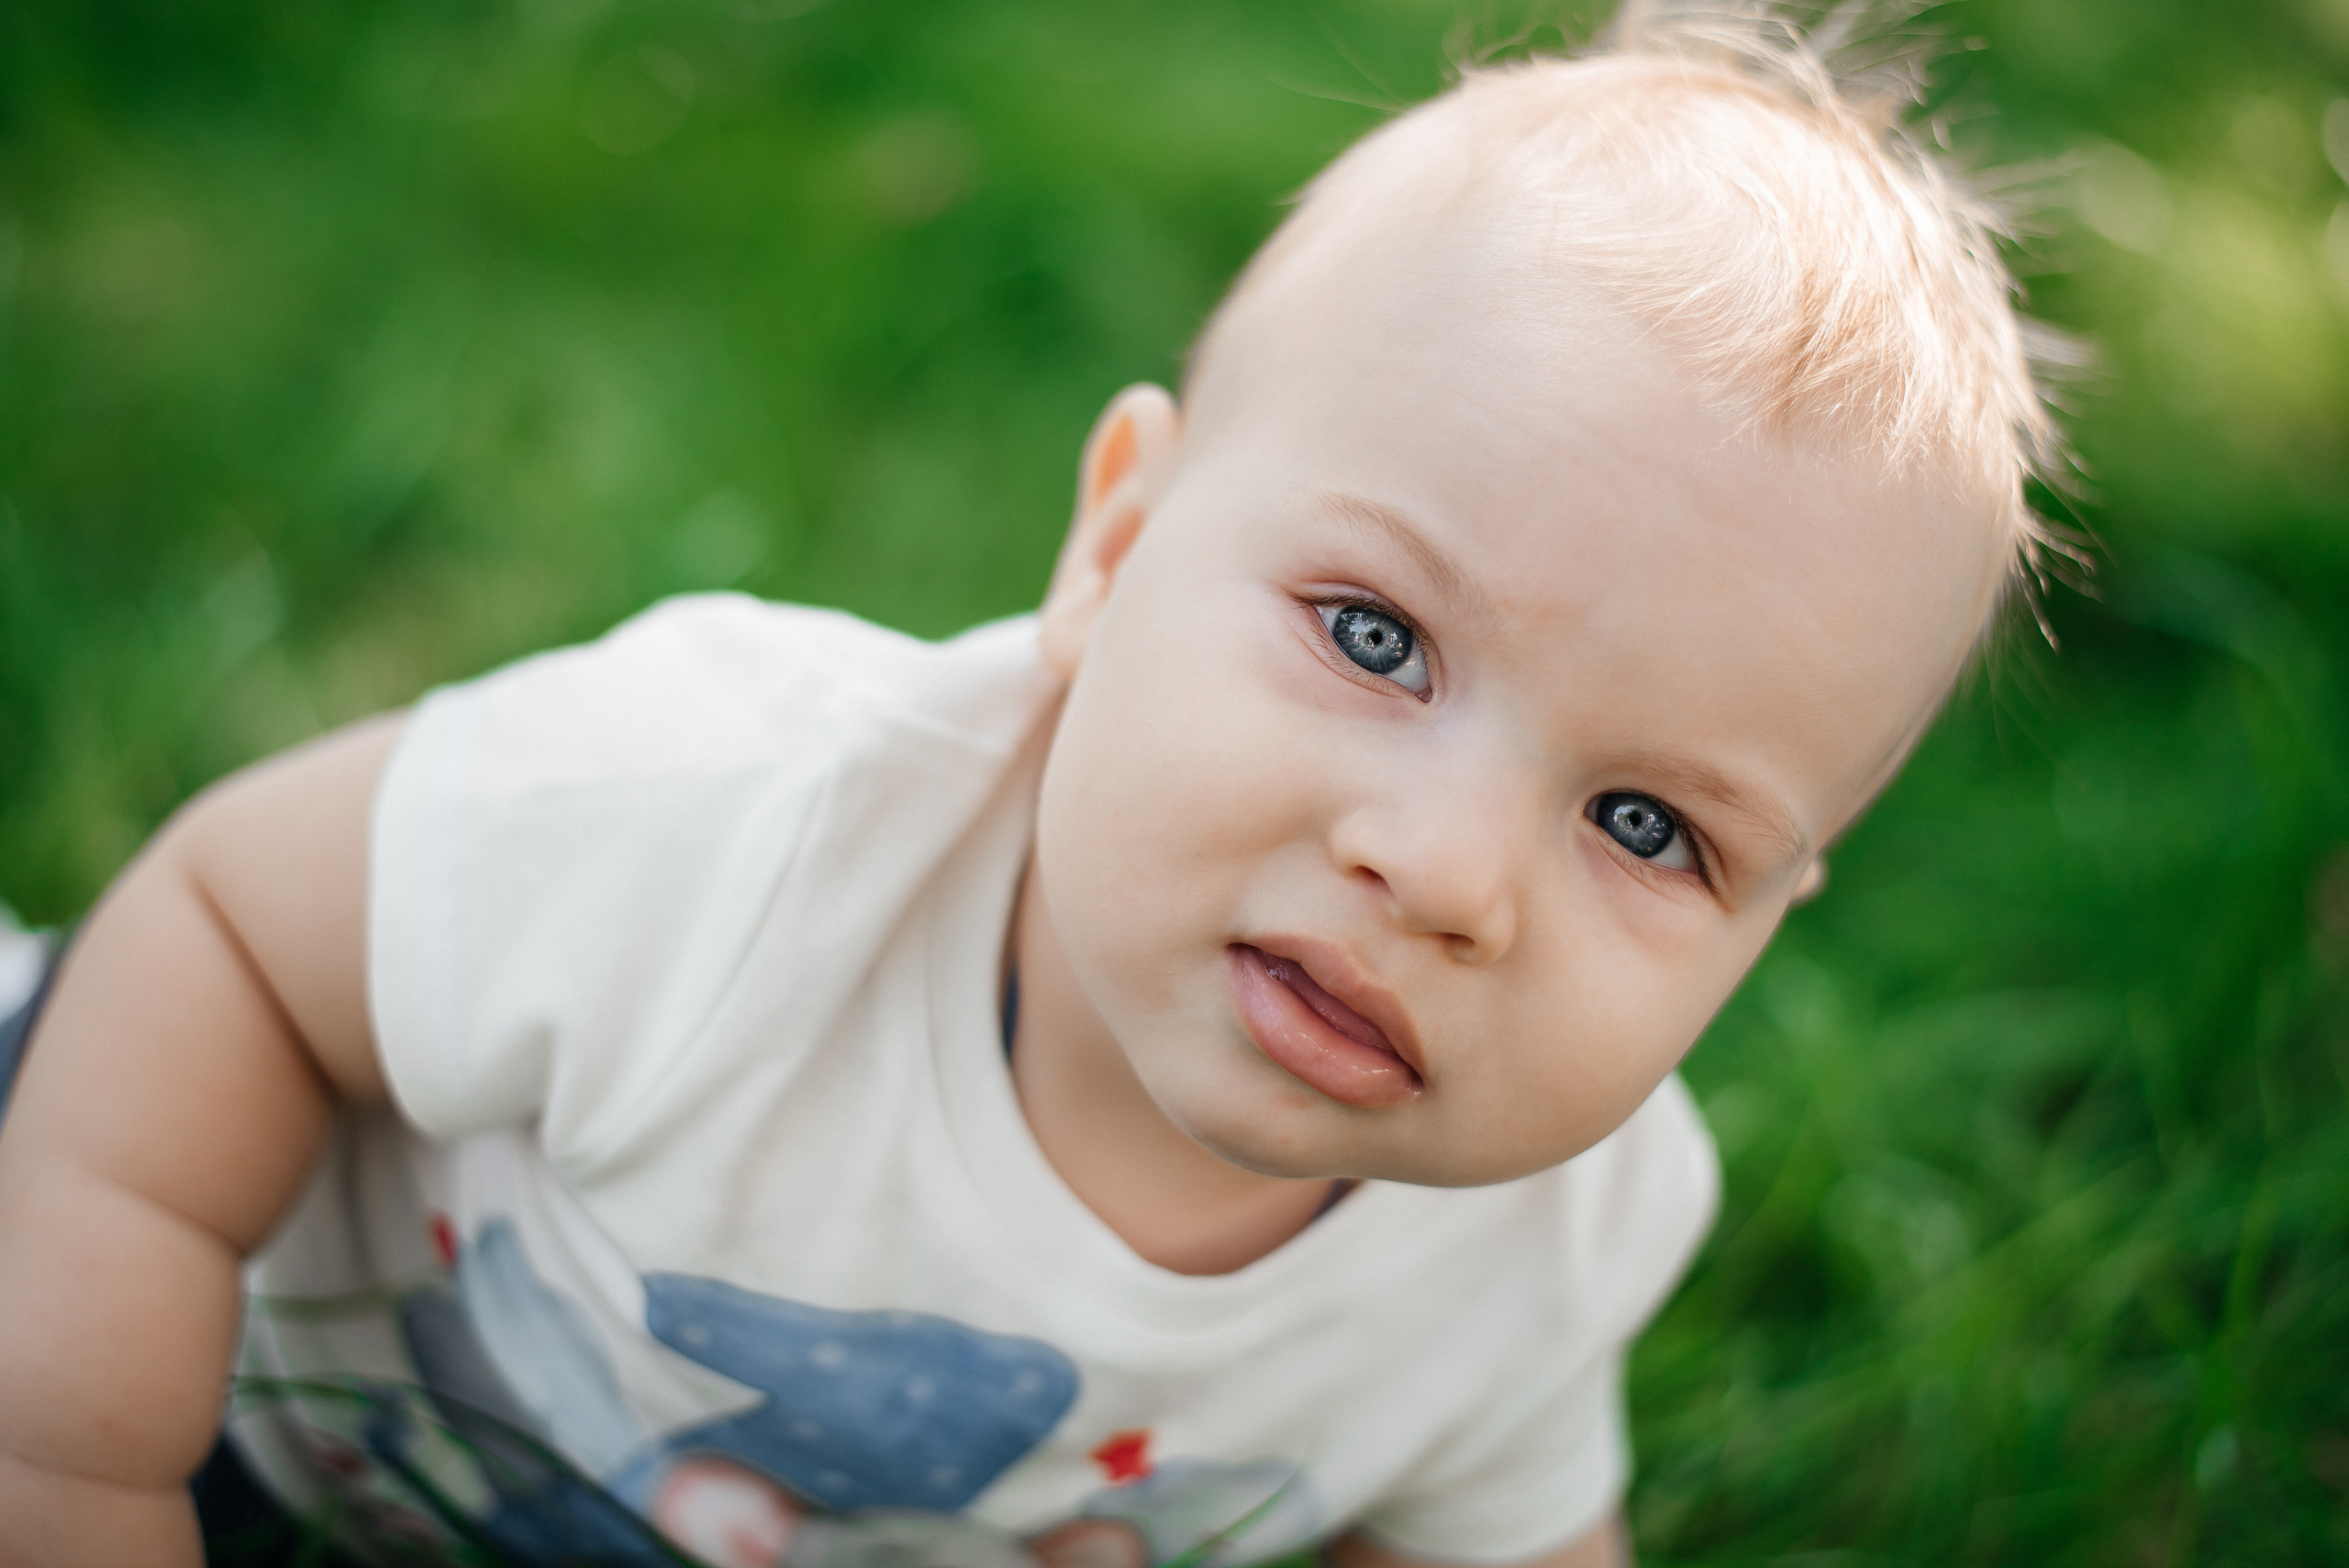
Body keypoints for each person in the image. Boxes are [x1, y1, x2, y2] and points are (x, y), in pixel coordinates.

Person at [0, 5, 2073, 1565]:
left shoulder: (1553, 1240)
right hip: (165, 1300)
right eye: (1373, 638)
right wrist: (75, 1462)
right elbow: (220, 942)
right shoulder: (710, 821)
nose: (1444, 872)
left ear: (1766, 909)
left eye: (1648, 827)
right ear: (1112, 544)